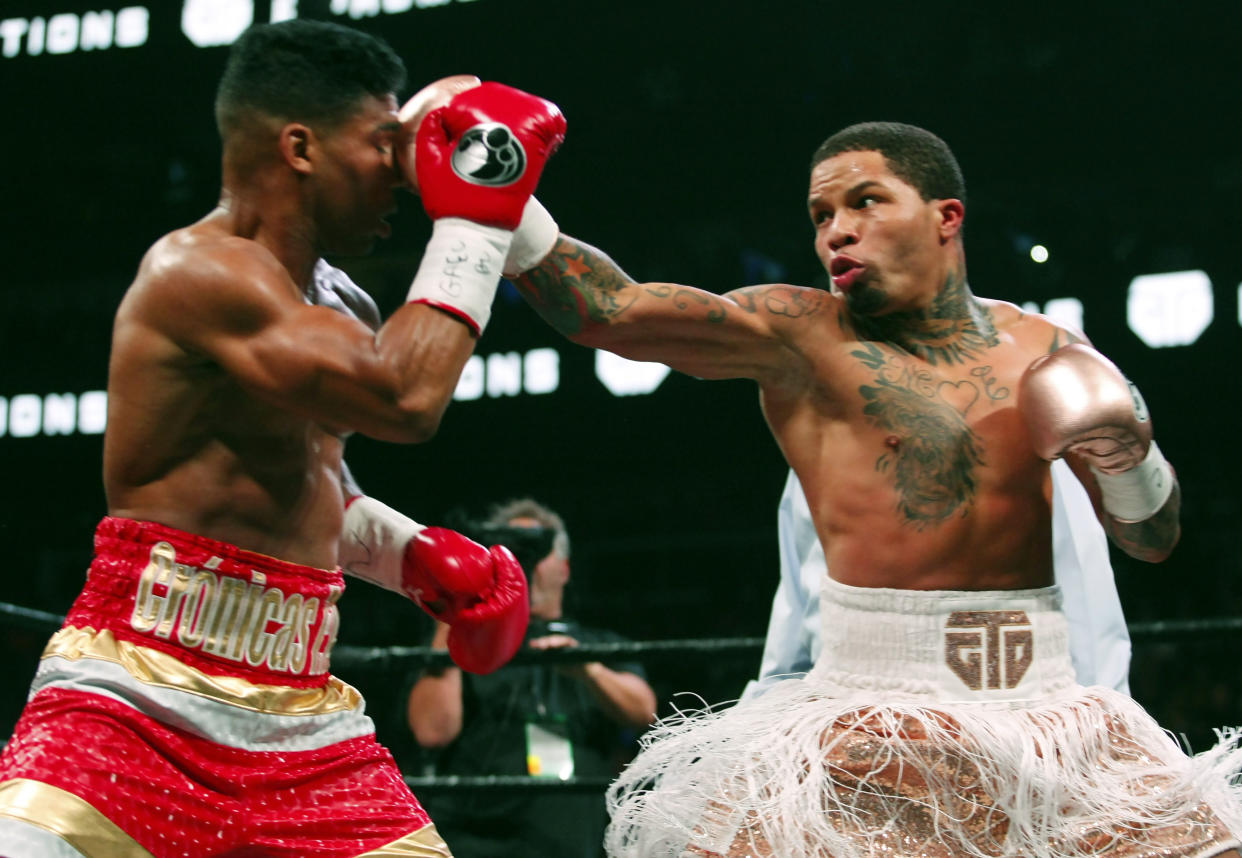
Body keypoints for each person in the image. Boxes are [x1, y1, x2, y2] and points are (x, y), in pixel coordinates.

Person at [507, 121, 1242, 857]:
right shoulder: (799, 335)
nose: (837, 232)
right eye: (822, 216)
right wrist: (504, 197)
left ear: (945, 216)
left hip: (1043, 709)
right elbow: (609, 309)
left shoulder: (1050, 352)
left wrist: (1127, 457)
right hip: (868, 711)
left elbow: (1154, 539)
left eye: (866, 202)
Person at [0, 20, 566, 858]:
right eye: (382, 145)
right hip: (133, 701)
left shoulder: (346, 308)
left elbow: (314, 483)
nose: (402, 177)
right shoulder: (198, 272)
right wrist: (481, 207)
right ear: (300, 147)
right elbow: (407, 398)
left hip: (302, 716)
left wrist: (409, 555)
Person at [748, 461, 1131, 698]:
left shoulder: (1020, 402)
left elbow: (1083, 587)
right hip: (847, 727)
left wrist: (1108, 724)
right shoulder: (823, 415)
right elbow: (801, 597)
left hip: (1009, 723)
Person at [408, 498, 657, 858]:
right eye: (514, 552)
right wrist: (454, 612)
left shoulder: (598, 645)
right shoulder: (461, 638)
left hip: (571, 840)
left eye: (536, 551)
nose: (525, 564)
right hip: (475, 840)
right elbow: (432, 731)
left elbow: (643, 713)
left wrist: (589, 670)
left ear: (565, 568)